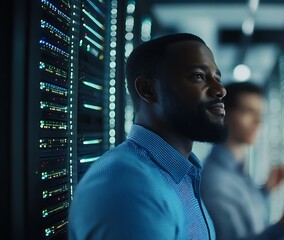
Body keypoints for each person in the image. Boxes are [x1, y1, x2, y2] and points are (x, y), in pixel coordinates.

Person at [68, 33, 229, 239]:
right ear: (147, 90)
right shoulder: (129, 186)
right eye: (198, 76)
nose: (220, 90)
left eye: (217, 77)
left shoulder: (180, 172)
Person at [201, 81, 284, 240]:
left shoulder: (236, 171)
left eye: (260, 114)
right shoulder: (216, 182)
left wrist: (266, 190)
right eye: (249, 111)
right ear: (224, 113)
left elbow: (250, 220)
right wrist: (283, 228)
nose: (258, 121)